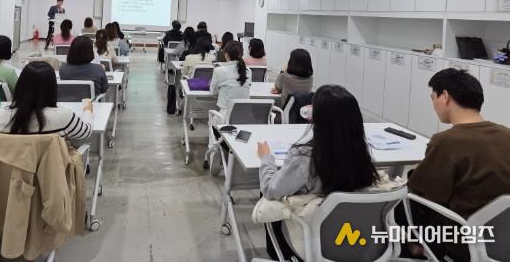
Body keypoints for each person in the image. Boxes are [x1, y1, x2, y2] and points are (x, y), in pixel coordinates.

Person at [257, 85, 380, 260]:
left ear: (318, 117)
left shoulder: (304, 157)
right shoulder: (361, 153)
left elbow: (271, 190)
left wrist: (266, 158)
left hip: (310, 239)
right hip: (354, 238)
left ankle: (279, 255)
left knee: (266, 191)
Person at [404, 69, 510, 261]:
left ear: (445, 96)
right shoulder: (506, 134)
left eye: (433, 98)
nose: (433, 105)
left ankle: (415, 249)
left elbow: (423, 191)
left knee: (403, 200)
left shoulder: (446, 141)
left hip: (463, 242)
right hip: (503, 240)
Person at [0, 61, 93, 138]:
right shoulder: (63, 116)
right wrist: (88, 110)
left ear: (21, 86)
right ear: (52, 87)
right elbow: (86, 132)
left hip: (11, 162)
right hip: (51, 162)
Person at [210, 41, 251, 115]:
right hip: (244, 115)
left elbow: (213, 92)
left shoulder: (219, 70)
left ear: (226, 55)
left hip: (225, 116)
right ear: (241, 54)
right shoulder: (248, 71)